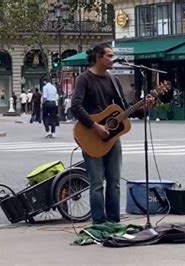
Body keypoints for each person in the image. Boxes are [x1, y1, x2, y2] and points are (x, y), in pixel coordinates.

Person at [70, 44, 132, 224]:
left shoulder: (114, 80)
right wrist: (95, 126)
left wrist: (143, 107)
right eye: (109, 56)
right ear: (98, 57)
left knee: (114, 182)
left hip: (112, 137)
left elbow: (125, 109)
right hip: (91, 135)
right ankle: (99, 223)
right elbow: (76, 106)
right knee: (96, 183)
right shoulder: (84, 79)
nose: (112, 59)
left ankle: (113, 222)